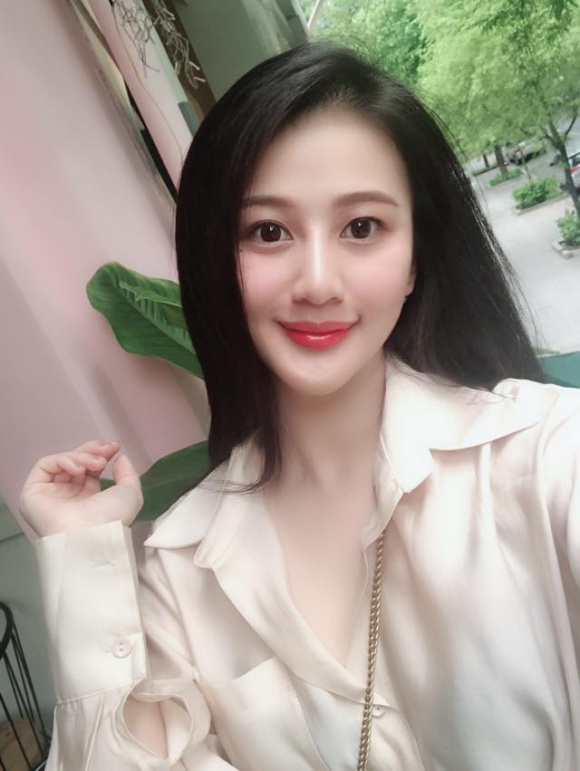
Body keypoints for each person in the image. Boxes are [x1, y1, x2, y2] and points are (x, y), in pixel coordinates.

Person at [19, 42, 580, 770]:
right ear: (217, 262)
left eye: (362, 227)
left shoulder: (545, 455)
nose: (316, 281)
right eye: (268, 232)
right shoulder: (184, 571)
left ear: (416, 260)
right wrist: (78, 549)